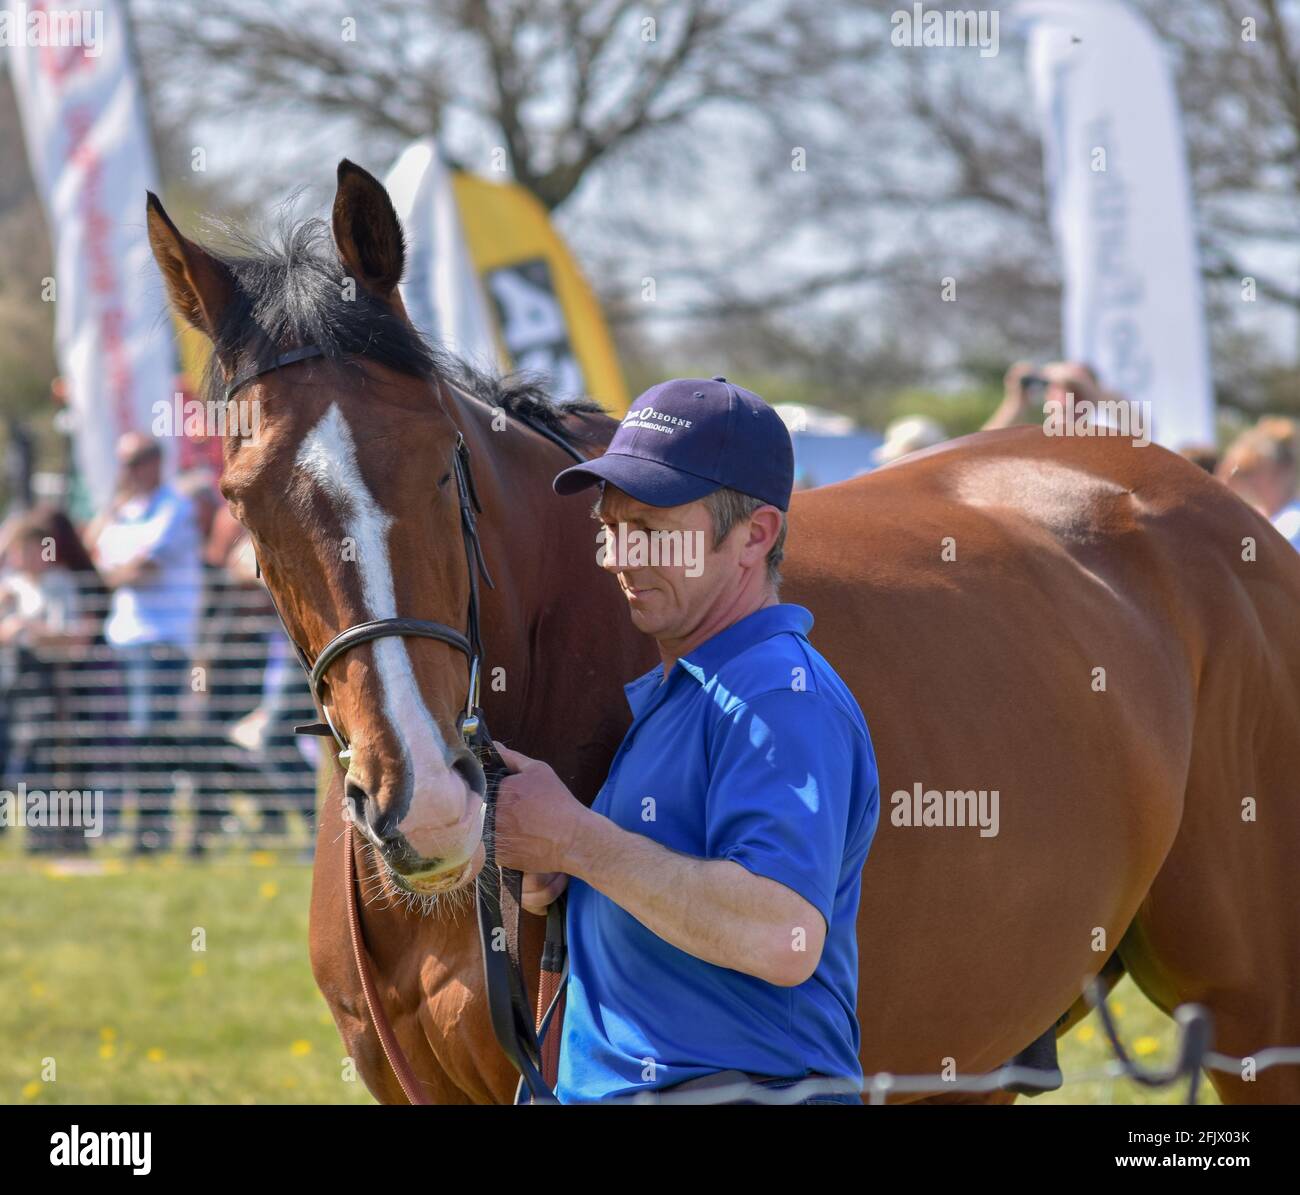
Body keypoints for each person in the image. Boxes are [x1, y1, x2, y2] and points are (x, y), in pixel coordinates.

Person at [492, 376, 880, 1105]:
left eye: (650, 529)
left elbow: (780, 933)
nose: (617, 557)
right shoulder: (699, 685)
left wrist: (578, 841)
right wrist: (575, 872)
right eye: (610, 528)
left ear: (754, 535)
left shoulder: (775, 692)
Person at [84, 432, 203, 852]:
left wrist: (109, 574)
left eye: (134, 462)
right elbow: (90, 552)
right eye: (124, 462)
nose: (127, 471)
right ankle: (139, 829)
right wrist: (111, 509)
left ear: (155, 462)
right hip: (123, 640)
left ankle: (156, 830)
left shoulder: (175, 508)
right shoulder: (121, 512)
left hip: (161, 641)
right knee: (130, 737)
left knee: (153, 735)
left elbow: (141, 569)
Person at [0, 507, 104, 852]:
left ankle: (69, 835)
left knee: (60, 757)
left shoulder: (60, 584)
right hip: (20, 683)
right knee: (26, 757)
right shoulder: (10, 587)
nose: (23, 557)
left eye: (30, 548)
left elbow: (72, 637)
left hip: (55, 683)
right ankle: (37, 834)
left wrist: (29, 629)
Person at [1217, 418, 1300, 549]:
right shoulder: (1257, 520)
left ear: (1281, 470)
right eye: (1245, 472)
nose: (1249, 481)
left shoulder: (1293, 523)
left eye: (1254, 470)